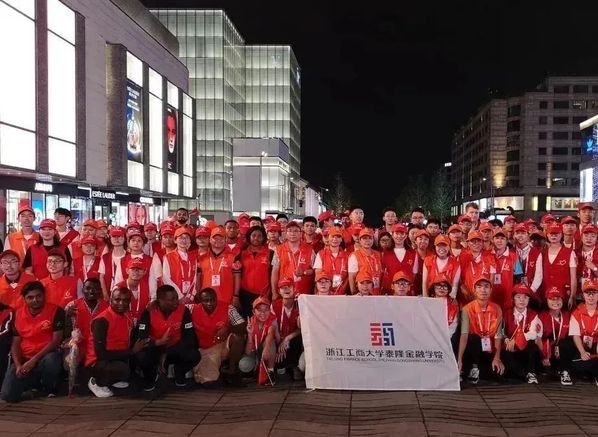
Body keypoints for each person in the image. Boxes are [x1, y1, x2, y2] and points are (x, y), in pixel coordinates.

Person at [1, 281, 65, 402]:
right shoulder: (17, 314)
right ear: (24, 299)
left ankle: (48, 389)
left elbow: (56, 340)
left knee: (52, 360)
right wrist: (18, 365)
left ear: (44, 295)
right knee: (7, 396)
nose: (35, 300)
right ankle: (33, 390)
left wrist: (34, 360)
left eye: (38, 296)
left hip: (46, 356)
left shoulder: (56, 311)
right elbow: (15, 343)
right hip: (25, 358)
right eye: (30, 297)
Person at [86, 287, 149, 398]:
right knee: (123, 370)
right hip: (98, 361)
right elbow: (101, 354)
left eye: (125, 300)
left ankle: (113, 379)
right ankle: (96, 382)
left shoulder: (127, 317)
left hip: (117, 356)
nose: (121, 303)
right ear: (111, 300)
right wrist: (132, 351)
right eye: (117, 299)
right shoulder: (102, 320)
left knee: (143, 358)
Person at [136, 285, 200, 390]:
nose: (176, 302)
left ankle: (179, 372)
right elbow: (142, 338)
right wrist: (158, 342)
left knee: (194, 355)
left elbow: (189, 338)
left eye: (176, 298)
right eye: (171, 300)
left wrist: (167, 353)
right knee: (142, 356)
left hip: (176, 349)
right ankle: (151, 377)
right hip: (155, 349)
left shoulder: (184, 311)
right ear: (160, 300)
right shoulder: (148, 312)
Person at [192, 287, 247, 386]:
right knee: (209, 382)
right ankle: (218, 370)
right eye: (206, 301)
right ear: (200, 301)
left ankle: (232, 372)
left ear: (216, 299)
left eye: (212, 300)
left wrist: (227, 328)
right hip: (205, 349)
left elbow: (242, 325)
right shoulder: (192, 309)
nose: (209, 303)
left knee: (238, 337)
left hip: (222, 344)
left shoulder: (228, 308)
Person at [458, 276, 505, 384]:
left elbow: (498, 336)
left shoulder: (497, 308)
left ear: (491, 290)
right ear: (474, 290)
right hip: (474, 347)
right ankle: (474, 367)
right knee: (474, 338)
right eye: (479, 287)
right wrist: (459, 358)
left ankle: (482, 369)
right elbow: (464, 335)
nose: (483, 290)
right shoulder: (467, 309)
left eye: (486, 287)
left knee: (498, 374)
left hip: (490, 347)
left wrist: (497, 358)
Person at [501, 284, 542, 384]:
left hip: (524, 348)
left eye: (525, 297)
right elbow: (501, 331)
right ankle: (521, 373)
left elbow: (533, 333)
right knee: (504, 354)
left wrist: (516, 340)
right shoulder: (506, 313)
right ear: (513, 299)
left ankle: (530, 373)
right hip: (509, 347)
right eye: (518, 297)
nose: (522, 300)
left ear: (529, 300)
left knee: (533, 346)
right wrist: (506, 339)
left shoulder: (533, 314)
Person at [64, 278, 109, 368]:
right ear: (82, 290)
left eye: (95, 288)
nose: (91, 291)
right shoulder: (72, 305)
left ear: (100, 291)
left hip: (98, 346)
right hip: (77, 345)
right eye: (88, 288)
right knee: (69, 360)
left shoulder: (107, 307)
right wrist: (67, 316)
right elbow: (63, 331)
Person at [198, 226, 242, 307]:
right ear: (210, 240)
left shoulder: (233, 257)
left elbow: (237, 277)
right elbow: (198, 278)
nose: (218, 240)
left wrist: (236, 296)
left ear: (226, 240)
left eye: (221, 238)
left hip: (226, 299)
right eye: (215, 238)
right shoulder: (202, 258)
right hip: (206, 299)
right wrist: (198, 294)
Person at [538, 286, 574, 385]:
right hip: (546, 352)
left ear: (562, 300)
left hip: (563, 351)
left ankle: (565, 371)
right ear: (546, 301)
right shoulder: (541, 316)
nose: (555, 302)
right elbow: (538, 339)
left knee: (567, 342)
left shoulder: (568, 315)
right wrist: (543, 356)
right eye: (551, 299)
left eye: (558, 298)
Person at [271, 221, 315, 299]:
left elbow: (314, 271)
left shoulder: (310, 250)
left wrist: (304, 272)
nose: (292, 233)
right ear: (285, 233)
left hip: (304, 294)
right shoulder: (278, 250)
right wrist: (274, 292)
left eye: (295, 231)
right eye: (290, 231)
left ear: (301, 234)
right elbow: (274, 273)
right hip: (285, 293)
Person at [240, 296, 277, 385]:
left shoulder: (272, 318)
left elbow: (270, 334)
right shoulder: (250, 322)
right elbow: (248, 352)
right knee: (244, 365)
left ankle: (270, 372)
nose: (263, 313)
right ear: (253, 311)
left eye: (266, 309)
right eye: (259, 310)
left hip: (264, 350)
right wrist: (250, 334)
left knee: (271, 343)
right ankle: (255, 371)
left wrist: (267, 348)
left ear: (270, 310)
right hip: (254, 351)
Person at [237, 226, 273, 317]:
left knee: (262, 319)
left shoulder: (270, 253)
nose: (256, 238)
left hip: (264, 294)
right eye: (253, 235)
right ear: (249, 237)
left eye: (259, 236)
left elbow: (272, 275)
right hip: (245, 294)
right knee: (247, 319)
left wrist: (269, 292)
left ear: (263, 237)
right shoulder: (242, 253)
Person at [271, 278, 303, 380]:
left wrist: (287, 339)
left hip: (294, 338)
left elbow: (302, 329)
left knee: (298, 340)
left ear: (294, 288)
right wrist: (280, 342)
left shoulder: (301, 304)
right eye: (282, 287)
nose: (286, 289)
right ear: (279, 291)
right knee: (279, 362)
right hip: (279, 338)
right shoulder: (274, 305)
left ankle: (295, 366)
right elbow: (273, 328)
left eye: (289, 286)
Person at [569, 279, 598, 384]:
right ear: (583, 295)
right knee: (579, 365)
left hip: (596, 345)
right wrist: (582, 352)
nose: (591, 296)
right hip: (582, 346)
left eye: (594, 293)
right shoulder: (576, 313)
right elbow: (575, 335)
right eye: (588, 293)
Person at [543, 223, 577, 309]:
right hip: (547, 293)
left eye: (556, 233)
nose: (553, 236)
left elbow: (573, 276)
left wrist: (572, 296)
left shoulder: (570, 252)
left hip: (563, 294)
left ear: (561, 234)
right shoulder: (543, 252)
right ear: (547, 235)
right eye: (551, 234)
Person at [162, 227, 199, 304]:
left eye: (187, 238)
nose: (184, 240)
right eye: (181, 237)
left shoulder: (193, 257)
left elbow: (194, 279)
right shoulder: (168, 257)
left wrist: (190, 296)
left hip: (189, 298)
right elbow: (166, 279)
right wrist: (180, 296)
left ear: (190, 241)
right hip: (174, 297)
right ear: (175, 240)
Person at [459, 231, 496, 304]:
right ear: (468, 243)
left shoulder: (490, 257)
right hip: (467, 297)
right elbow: (458, 279)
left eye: (479, 241)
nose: (476, 244)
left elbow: (492, 279)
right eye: (473, 241)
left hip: (484, 297)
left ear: (483, 243)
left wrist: (485, 294)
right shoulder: (461, 257)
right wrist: (465, 291)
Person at [313, 227, 349, 295]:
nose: (335, 239)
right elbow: (318, 276)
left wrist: (343, 289)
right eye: (332, 236)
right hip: (325, 293)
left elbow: (348, 276)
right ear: (328, 238)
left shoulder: (347, 255)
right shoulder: (321, 254)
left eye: (338, 237)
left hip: (341, 294)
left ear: (341, 239)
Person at [430, 274, 460, 354]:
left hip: (448, 337)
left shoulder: (453, 304)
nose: (441, 288)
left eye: (445, 286)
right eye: (438, 285)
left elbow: (453, 325)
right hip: (430, 337)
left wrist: (443, 338)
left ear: (449, 289)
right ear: (433, 287)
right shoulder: (427, 302)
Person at [348, 228, 383, 295]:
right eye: (364, 238)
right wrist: (354, 294)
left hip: (377, 293)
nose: (367, 241)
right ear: (360, 240)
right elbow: (351, 278)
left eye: (370, 238)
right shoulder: (355, 256)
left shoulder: (378, 254)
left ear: (373, 240)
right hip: (362, 294)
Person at [99, 226, 127, 300]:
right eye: (114, 236)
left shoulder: (129, 256)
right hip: (108, 293)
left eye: (119, 236)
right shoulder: (105, 257)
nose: (116, 239)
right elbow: (101, 277)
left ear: (124, 238)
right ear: (110, 238)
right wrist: (105, 294)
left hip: (125, 294)